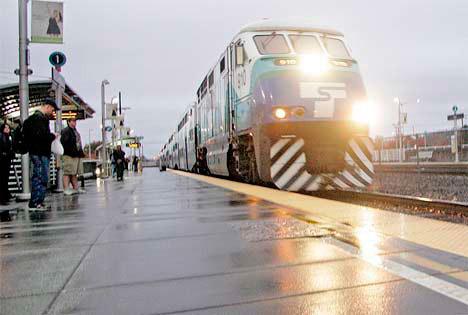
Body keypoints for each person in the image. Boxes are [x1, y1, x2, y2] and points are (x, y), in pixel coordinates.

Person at [23, 99, 59, 211]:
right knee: (40, 177)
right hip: (40, 153)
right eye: (52, 110)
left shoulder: (31, 119)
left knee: (39, 176)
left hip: (35, 152)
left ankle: (38, 202)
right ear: (47, 107)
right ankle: (36, 202)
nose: (52, 112)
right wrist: (53, 136)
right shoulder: (40, 119)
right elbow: (42, 137)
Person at [60, 118, 85, 195]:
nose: (75, 123)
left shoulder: (75, 131)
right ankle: (66, 188)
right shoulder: (66, 131)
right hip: (69, 155)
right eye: (73, 121)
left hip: (76, 154)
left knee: (74, 173)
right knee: (67, 172)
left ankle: (76, 188)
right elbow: (63, 142)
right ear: (68, 122)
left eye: (75, 121)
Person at [0, 123, 14, 205]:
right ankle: (3, 196)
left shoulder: (8, 137)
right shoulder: (3, 137)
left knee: (5, 178)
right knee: (3, 178)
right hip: (3, 161)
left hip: (6, 160)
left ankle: (5, 195)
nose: (8, 129)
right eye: (6, 128)